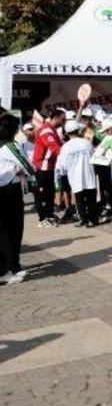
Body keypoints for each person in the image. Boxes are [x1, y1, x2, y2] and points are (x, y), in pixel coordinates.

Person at [0, 114, 33, 284]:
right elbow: (28, 167)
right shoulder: (11, 146)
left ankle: (9, 266)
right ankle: (9, 267)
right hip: (8, 191)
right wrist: (20, 170)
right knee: (12, 229)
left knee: (3, 229)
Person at [55, 119, 99, 228]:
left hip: (75, 177)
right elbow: (94, 157)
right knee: (91, 198)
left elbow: (63, 165)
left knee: (79, 199)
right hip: (89, 175)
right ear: (78, 130)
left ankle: (84, 220)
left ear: (67, 133)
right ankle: (93, 220)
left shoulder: (66, 147)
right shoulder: (86, 143)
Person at [32, 109, 64, 227]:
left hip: (49, 167)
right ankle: (43, 218)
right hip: (42, 166)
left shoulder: (52, 130)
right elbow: (55, 148)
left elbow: (60, 145)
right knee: (43, 194)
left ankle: (49, 215)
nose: (64, 121)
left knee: (50, 193)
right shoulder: (46, 130)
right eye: (63, 118)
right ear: (56, 118)